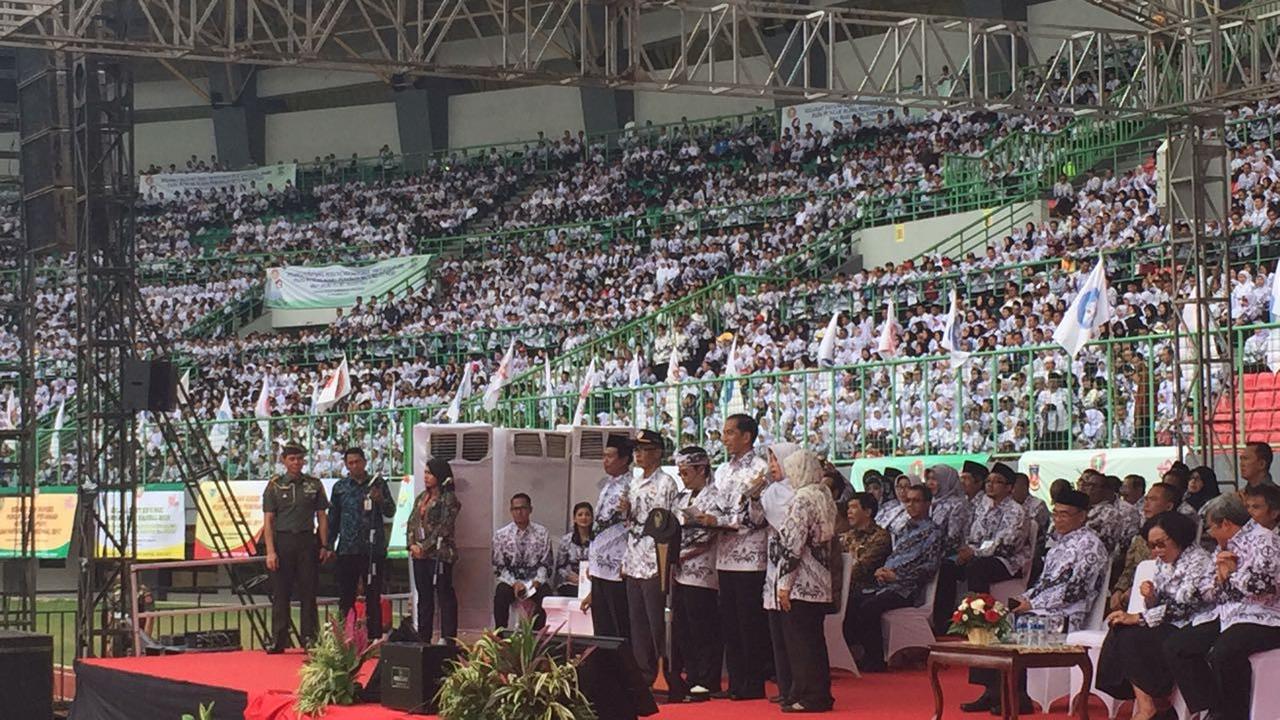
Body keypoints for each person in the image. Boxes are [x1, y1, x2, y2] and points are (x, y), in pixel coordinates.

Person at [964, 489, 1107, 715]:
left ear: (1082, 516)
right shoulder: (1058, 543)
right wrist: (1024, 598)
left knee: (1017, 623)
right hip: (1042, 609)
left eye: (1065, 514)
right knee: (990, 620)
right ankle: (992, 690)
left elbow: (1076, 590)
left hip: (1067, 615)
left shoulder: (1090, 545)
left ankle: (1020, 696)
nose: (1058, 519)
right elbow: (1044, 583)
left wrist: (1032, 605)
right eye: (1056, 513)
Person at [1165, 493, 1280, 720]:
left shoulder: (1266, 541)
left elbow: (1265, 586)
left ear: (1226, 523)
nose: (1210, 534)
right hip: (1227, 614)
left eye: (1211, 528)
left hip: (1266, 617)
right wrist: (1218, 580)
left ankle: (1233, 714)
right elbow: (1208, 590)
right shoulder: (1223, 546)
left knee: (1224, 652)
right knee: (1178, 646)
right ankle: (1211, 707)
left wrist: (1232, 574)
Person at [1096, 512, 1215, 720]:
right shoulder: (1164, 561)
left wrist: (1139, 617)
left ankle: (1153, 705)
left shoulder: (1199, 561)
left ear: (1178, 537)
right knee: (1121, 629)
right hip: (1166, 620)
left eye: (1161, 544)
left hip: (1192, 623)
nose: (1157, 551)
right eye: (1152, 546)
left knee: (1132, 635)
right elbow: (1160, 602)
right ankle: (1147, 705)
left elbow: (1185, 605)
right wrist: (1150, 597)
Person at [699, 413, 772, 701]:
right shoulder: (722, 471)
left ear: (747, 436)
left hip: (750, 555)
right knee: (729, 621)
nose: (725, 437)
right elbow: (718, 505)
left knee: (749, 621)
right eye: (724, 432)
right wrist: (708, 518)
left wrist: (723, 520)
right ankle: (736, 682)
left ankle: (753, 682)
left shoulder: (761, 469)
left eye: (731, 432)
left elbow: (758, 517)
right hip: (724, 554)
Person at [843, 484, 942, 673]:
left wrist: (897, 576)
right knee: (853, 601)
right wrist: (884, 570)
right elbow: (895, 558)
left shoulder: (933, 532)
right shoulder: (905, 529)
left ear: (928, 504)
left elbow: (930, 567)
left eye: (916, 501)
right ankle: (859, 652)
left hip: (907, 588)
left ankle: (875, 659)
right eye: (908, 501)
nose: (910, 505)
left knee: (869, 607)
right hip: (887, 584)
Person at [768, 449, 837, 713]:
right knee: (814, 641)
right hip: (820, 581)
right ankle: (819, 693)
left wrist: (784, 584)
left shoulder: (801, 499)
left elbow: (793, 545)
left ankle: (808, 696)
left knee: (799, 643)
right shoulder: (823, 494)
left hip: (800, 581)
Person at [621, 429, 678, 687]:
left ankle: (663, 670)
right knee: (637, 620)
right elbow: (630, 522)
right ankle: (642, 672)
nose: (638, 454)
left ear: (657, 452)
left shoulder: (666, 483)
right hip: (634, 556)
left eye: (643, 450)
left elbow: (668, 523)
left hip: (655, 557)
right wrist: (627, 511)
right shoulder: (634, 482)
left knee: (657, 620)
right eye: (636, 450)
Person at [262, 443, 331, 654]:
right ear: (284, 460)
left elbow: (321, 516)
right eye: (292, 459)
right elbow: (268, 521)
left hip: (307, 542)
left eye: (300, 459)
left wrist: (324, 545)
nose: (296, 463)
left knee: (308, 591)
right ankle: (278, 639)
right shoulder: (274, 485)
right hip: (283, 542)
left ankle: (309, 638)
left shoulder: (314, 484)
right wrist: (270, 551)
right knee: (281, 592)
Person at [670, 446, 721, 703]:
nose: (683, 477)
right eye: (680, 472)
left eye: (687, 472)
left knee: (703, 626)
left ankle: (707, 678)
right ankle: (691, 674)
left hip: (702, 571)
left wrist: (682, 553)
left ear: (702, 469)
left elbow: (710, 533)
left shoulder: (715, 497)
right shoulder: (681, 497)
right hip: (678, 571)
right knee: (683, 627)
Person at [328, 447, 396, 640]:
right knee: (346, 597)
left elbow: (390, 511)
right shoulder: (340, 487)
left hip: (372, 549)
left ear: (365, 462)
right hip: (348, 549)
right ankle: (345, 638)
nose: (354, 466)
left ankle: (374, 638)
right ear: (346, 465)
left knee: (372, 596)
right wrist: (328, 544)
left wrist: (380, 499)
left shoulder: (378, 484)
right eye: (350, 463)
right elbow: (333, 519)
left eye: (358, 461)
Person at [582, 434, 633, 639]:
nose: (605, 461)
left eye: (610, 456)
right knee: (601, 625)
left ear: (624, 459)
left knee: (619, 623)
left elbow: (633, 525)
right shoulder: (606, 485)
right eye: (604, 456)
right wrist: (592, 561)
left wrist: (627, 561)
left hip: (618, 564)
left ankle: (625, 669)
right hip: (600, 566)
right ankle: (606, 668)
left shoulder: (632, 485)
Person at [407, 457, 461, 644]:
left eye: (430, 473)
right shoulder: (422, 497)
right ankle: (423, 637)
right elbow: (412, 523)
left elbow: (444, 527)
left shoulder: (449, 499)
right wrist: (412, 544)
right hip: (419, 556)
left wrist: (425, 547)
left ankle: (448, 638)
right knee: (424, 597)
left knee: (444, 595)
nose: (426, 477)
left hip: (440, 554)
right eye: (425, 473)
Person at [956, 462, 1029, 594]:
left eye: (997, 482)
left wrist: (974, 553)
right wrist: (967, 551)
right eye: (988, 481)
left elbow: (1006, 546)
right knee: (948, 566)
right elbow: (975, 537)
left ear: (1009, 488)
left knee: (978, 567)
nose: (990, 484)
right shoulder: (984, 508)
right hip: (983, 554)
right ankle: (948, 612)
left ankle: (979, 610)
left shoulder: (1016, 511)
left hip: (1009, 562)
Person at [1108, 482, 1177, 612]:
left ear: (1169, 506)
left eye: (1153, 499)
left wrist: (1134, 589)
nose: (1147, 504)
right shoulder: (1139, 538)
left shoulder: (1176, 538)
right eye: (1146, 499)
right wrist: (1119, 590)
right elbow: (1129, 569)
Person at [491, 492, 553, 629]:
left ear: (530, 509)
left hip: (535, 580)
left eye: (523, 508)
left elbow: (546, 563)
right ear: (511, 511)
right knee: (501, 593)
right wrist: (514, 583)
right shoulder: (501, 535)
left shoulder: (542, 533)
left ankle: (537, 637)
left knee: (546, 596)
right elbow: (498, 567)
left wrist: (537, 581)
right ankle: (500, 636)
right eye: (515, 509)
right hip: (512, 581)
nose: (519, 512)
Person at [928, 464, 973, 632]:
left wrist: (932, 551)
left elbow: (953, 538)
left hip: (954, 554)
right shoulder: (931, 502)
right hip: (933, 551)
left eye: (935, 479)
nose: (931, 483)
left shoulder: (958, 504)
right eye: (929, 479)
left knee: (944, 567)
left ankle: (943, 620)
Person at [841, 492, 892, 596]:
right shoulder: (848, 536)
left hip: (865, 591)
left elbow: (862, 568)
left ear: (868, 512)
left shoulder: (881, 537)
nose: (849, 512)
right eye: (848, 508)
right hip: (843, 586)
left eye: (854, 507)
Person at [1082, 471, 1130, 555]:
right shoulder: (1081, 508)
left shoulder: (1111, 513)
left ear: (1105, 490)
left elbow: (1105, 543)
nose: (1089, 489)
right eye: (1087, 485)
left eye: (1094, 486)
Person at [555, 502, 594, 597]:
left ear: (592, 518)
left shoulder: (598, 540)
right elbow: (560, 567)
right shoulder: (566, 540)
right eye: (580, 515)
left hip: (593, 582)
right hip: (571, 582)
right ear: (574, 519)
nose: (584, 517)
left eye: (587, 514)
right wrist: (569, 576)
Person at [875, 469, 912, 537]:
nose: (902, 490)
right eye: (899, 486)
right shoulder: (888, 506)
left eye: (907, 487)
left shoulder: (916, 511)